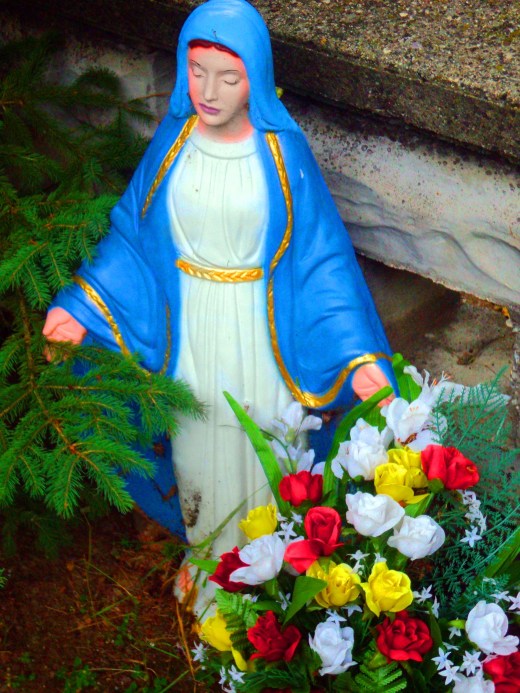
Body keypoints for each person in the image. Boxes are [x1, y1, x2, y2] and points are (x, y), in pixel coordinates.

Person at [43, 0, 396, 574]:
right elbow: (133, 237)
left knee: (266, 443)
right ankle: (210, 566)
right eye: (196, 70)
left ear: (255, 77)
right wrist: (82, 305)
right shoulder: (174, 143)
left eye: (228, 77)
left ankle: (271, 580)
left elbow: (321, 260)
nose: (208, 91)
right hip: (190, 325)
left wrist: (355, 356)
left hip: (261, 332)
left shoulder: (282, 154)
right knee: (196, 439)